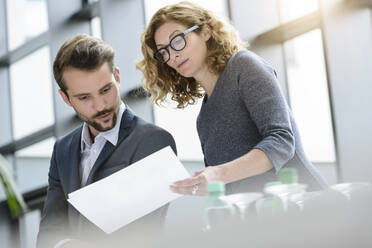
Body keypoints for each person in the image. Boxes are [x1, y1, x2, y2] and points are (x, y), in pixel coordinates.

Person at [136, 1, 328, 195]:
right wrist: (200, 184)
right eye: (164, 51)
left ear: (205, 31)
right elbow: (228, 183)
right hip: (264, 218)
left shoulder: (244, 66)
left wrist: (218, 174)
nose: (173, 55)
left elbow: (282, 142)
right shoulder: (203, 120)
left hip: (306, 203)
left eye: (177, 40)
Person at [37, 34, 177, 248]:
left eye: (105, 90)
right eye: (84, 97)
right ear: (65, 98)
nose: (100, 105)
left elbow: (139, 236)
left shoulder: (155, 142)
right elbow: (48, 236)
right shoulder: (62, 150)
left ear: (117, 77)